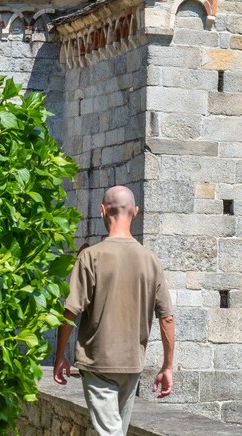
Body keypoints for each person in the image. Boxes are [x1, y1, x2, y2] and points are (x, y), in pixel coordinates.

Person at [53, 185, 175, 436]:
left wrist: (60, 355)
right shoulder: (151, 260)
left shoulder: (90, 258)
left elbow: (70, 311)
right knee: (114, 430)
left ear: (102, 210)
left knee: (110, 432)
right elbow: (167, 318)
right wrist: (167, 366)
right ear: (136, 212)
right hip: (132, 364)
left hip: (98, 362)